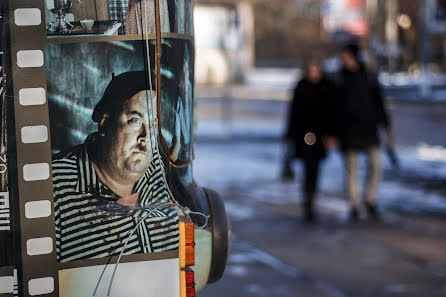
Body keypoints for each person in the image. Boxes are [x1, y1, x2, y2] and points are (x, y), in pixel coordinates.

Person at [52, 71, 179, 263]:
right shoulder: (56, 186)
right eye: (135, 120)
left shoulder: (156, 170)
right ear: (104, 123)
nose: (146, 136)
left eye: (153, 124)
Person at [335, 43, 392, 221]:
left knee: (375, 166)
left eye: (345, 55)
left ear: (353, 56)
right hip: (348, 132)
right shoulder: (339, 79)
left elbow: (379, 103)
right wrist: (333, 133)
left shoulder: (369, 76)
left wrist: (387, 127)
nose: (342, 59)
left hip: (369, 130)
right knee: (351, 169)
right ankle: (353, 205)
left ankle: (369, 200)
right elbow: (332, 109)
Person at [284, 61, 335, 222]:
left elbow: (331, 114)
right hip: (303, 135)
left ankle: (311, 199)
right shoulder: (301, 87)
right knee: (307, 170)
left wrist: (331, 134)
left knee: (315, 170)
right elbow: (293, 113)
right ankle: (307, 202)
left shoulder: (327, 88)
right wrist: (289, 135)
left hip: (320, 136)